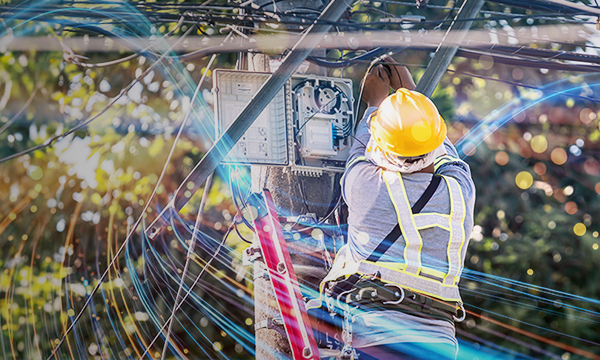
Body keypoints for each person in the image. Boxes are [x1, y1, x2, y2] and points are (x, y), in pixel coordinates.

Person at [319, 61, 476, 360]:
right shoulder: (461, 190)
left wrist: (375, 104)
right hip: (440, 348)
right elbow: (444, 151)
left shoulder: (367, 186)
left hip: (379, 343)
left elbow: (359, 152)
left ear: (382, 145)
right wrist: (413, 100)